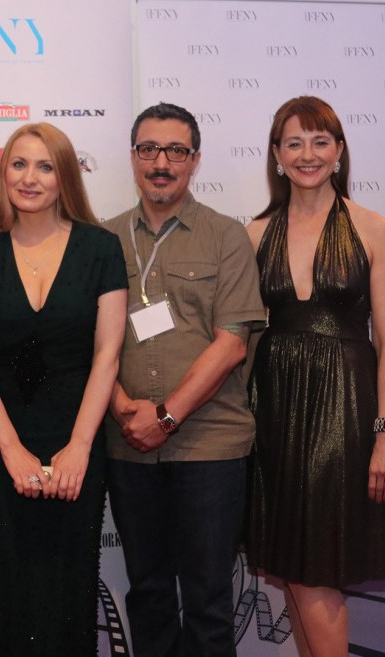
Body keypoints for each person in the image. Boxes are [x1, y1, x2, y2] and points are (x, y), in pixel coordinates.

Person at [0, 122, 127, 656]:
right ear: (3, 172)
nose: (30, 178)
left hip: (76, 437)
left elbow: (107, 355)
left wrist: (78, 447)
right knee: (3, 586)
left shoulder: (101, 248)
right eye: (19, 164)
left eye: (45, 166)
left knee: (69, 586)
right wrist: (11, 450)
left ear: (65, 175)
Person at [243, 96, 385, 657]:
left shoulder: (372, 227)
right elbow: (243, 336)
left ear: (338, 151)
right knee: (290, 564)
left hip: (345, 406)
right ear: (277, 155)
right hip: (274, 408)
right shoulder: (255, 233)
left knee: (317, 568)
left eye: (319, 141)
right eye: (294, 142)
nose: (307, 154)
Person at [105, 102, 263, 657]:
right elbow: (88, 343)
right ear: (133, 157)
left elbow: (232, 342)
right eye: (149, 149)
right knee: (148, 594)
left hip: (209, 446)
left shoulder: (226, 236)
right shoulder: (102, 240)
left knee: (208, 602)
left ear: (195, 160)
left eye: (176, 151)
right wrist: (123, 408)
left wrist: (166, 416)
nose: (161, 163)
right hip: (127, 444)